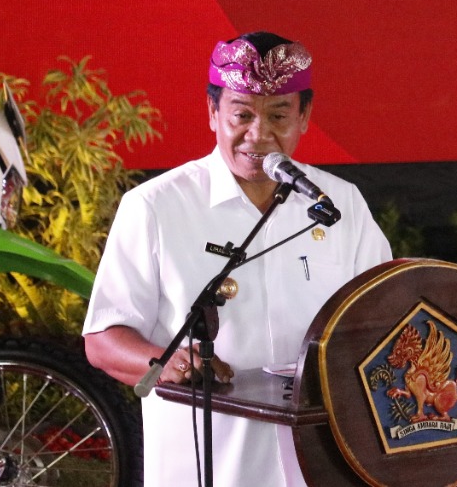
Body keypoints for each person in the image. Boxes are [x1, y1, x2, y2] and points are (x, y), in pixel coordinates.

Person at [82, 32, 393, 487]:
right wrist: (166, 362)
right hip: (207, 465)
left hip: (320, 464)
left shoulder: (339, 204)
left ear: (304, 117)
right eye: (242, 114)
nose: (259, 135)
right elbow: (103, 338)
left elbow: (385, 320)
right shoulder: (155, 206)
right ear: (213, 113)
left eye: (278, 115)